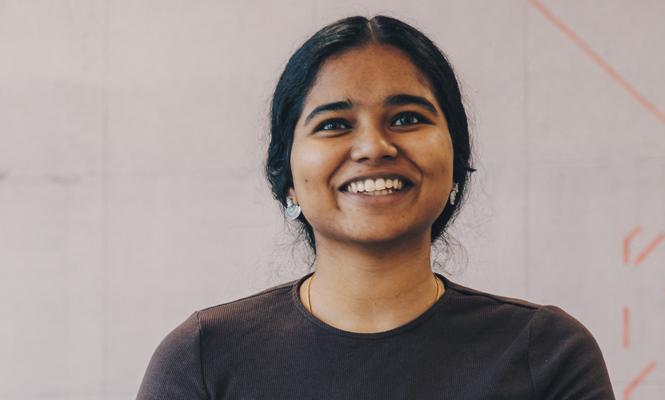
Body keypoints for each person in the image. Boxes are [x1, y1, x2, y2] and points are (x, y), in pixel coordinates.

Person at [137, 15, 614, 400]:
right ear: (288, 182)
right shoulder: (203, 357)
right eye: (334, 124)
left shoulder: (546, 352)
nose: (373, 146)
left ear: (456, 160)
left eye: (407, 118)